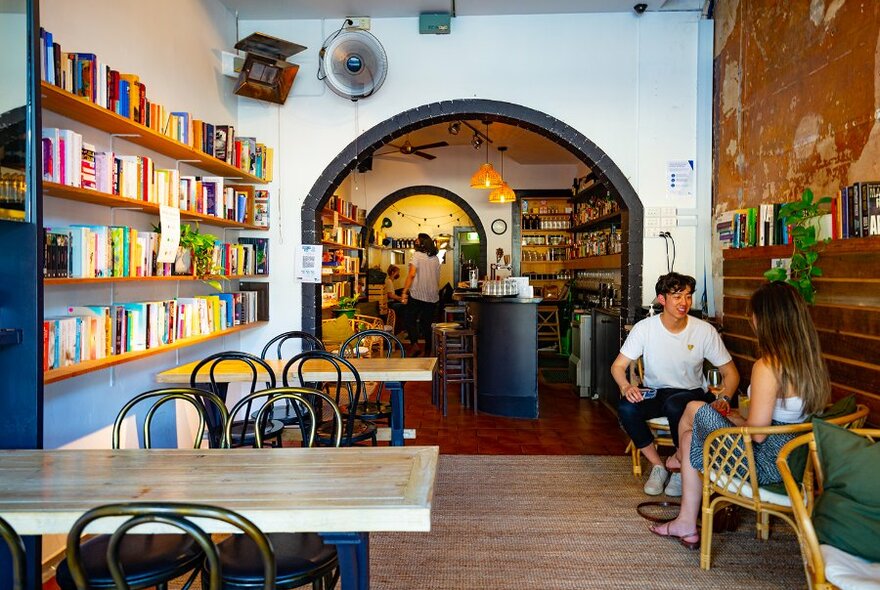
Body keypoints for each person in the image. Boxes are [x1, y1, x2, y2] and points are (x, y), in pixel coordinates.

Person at [649, 281, 830, 549]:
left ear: (767, 320)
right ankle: (685, 522)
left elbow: (756, 435)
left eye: (754, 315)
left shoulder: (768, 366)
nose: (752, 321)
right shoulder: (810, 362)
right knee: (689, 436)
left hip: (766, 466)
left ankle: (676, 461)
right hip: (794, 459)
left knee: (694, 408)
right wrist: (732, 416)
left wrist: (730, 420)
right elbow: (774, 424)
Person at [610, 272, 739, 497]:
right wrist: (626, 387)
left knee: (675, 404)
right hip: (656, 392)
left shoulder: (704, 331)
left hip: (692, 393)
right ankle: (659, 466)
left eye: (688, 297)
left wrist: (724, 398)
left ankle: (681, 467)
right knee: (626, 408)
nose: (684, 303)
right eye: (677, 296)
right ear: (662, 299)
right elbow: (618, 366)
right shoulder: (645, 328)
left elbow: (731, 373)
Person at [401, 234, 440, 357]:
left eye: (417, 239)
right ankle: (428, 351)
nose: (415, 241)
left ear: (422, 242)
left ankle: (415, 345)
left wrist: (404, 291)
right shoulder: (436, 258)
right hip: (432, 295)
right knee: (427, 324)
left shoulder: (417, 255)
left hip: (418, 293)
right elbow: (437, 276)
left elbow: (412, 274)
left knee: (408, 318)